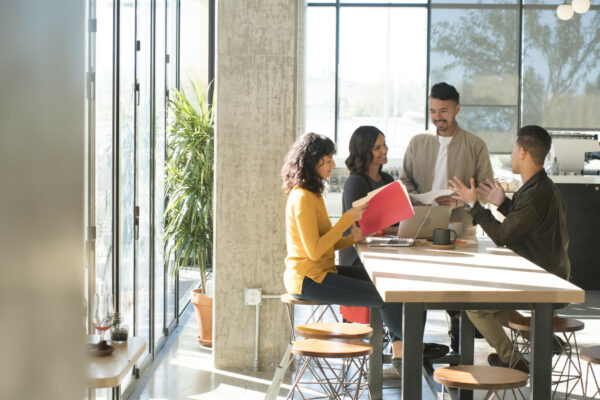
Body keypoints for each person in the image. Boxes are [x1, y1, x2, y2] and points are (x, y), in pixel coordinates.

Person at [449, 125, 570, 374]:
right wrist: (503, 203)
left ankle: (512, 360)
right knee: (493, 304)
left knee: (475, 306)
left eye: (514, 150)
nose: (512, 155)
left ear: (523, 151)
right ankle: (542, 337)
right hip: (547, 272)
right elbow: (525, 225)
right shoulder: (541, 187)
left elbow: (502, 235)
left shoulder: (536, 193)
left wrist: (473, 204)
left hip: (541, 279)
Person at [281, 132, 404, 375]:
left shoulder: (313, 195)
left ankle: (402, 348)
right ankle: (406, 351)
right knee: (383, 296)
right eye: (326, 160)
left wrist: (351, 238)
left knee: (383, 284)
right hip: (308, 279)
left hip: (322, 271)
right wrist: (346, 220)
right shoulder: (303, 198)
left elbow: (323, 243)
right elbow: (314, 251)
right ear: (311, 163)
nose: (332, 165)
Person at [339, 126, 449, 365]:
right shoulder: (355, 183)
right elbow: (358, 227)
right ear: (364, 151)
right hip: (360, 258)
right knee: (399, 285)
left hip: (387, 249)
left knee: (418, 285)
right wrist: (392, 229)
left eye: (384, 145)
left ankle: (403, 348)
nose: (384, 151)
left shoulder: (388, 179)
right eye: (377, 147)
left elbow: (398, 217)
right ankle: (409, 345)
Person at [400, 81, 494, 352]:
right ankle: (416, 347)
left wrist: (463, 197)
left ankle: (459, 347)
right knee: (419, 284)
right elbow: (404, 180)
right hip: (423, 219)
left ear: (457, 109)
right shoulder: (418, 142)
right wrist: (418, 196)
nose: (437, 116)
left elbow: (487, 187)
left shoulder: (475, 144)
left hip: (460, 220)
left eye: (443, 110)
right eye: (432, 110)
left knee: (459, 286)